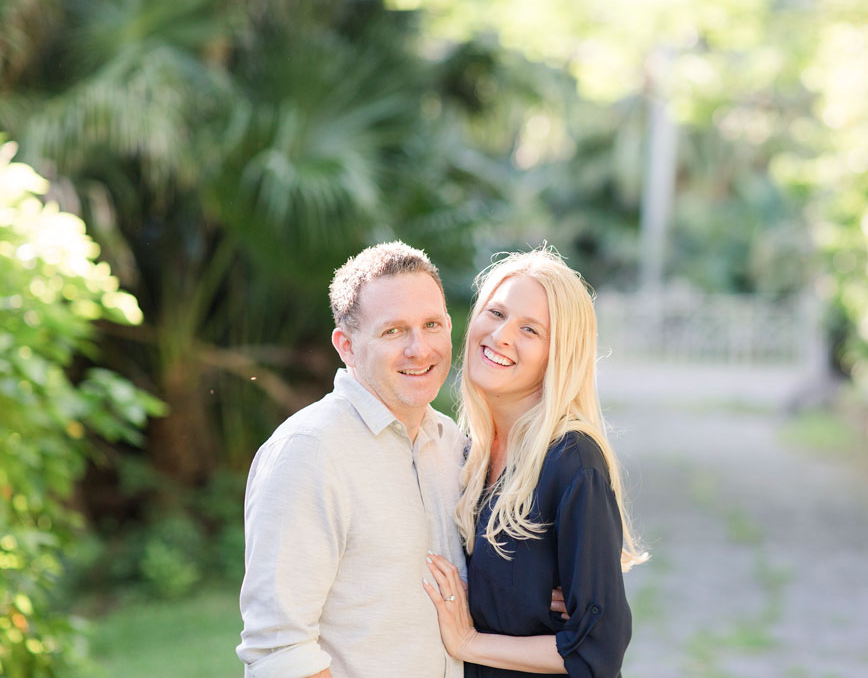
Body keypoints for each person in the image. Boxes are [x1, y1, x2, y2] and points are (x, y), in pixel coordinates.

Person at [237, 242, 469, 678]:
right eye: (393, 331)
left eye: (431, 324)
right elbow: (279, 652)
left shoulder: (452, 444)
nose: (420, 348)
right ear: (346, 346)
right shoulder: (309, 452)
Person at [422, 247, 648, 677]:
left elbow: (598, 648)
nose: (502, 335)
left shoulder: (572, 460)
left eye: (530, 330)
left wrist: (469, 642)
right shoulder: (465, 453)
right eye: (496, 313)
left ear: (558, 355)